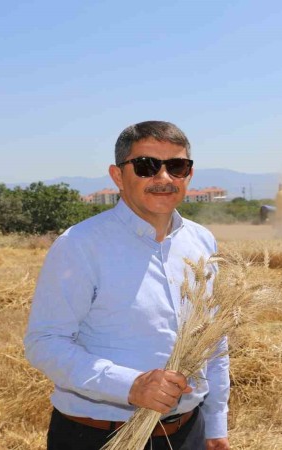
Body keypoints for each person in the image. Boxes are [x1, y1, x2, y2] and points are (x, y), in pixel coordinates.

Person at [24, 121, 230, 450]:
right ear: (118, 176)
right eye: (146, 166)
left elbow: (214, 341)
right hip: (97, 437)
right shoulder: (80, 245)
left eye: (176, 166)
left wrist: (216, 423)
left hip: (189, 431)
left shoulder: (202, 241)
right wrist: (130, 385)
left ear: (188, 175)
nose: (163, 179)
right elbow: (45, 343)